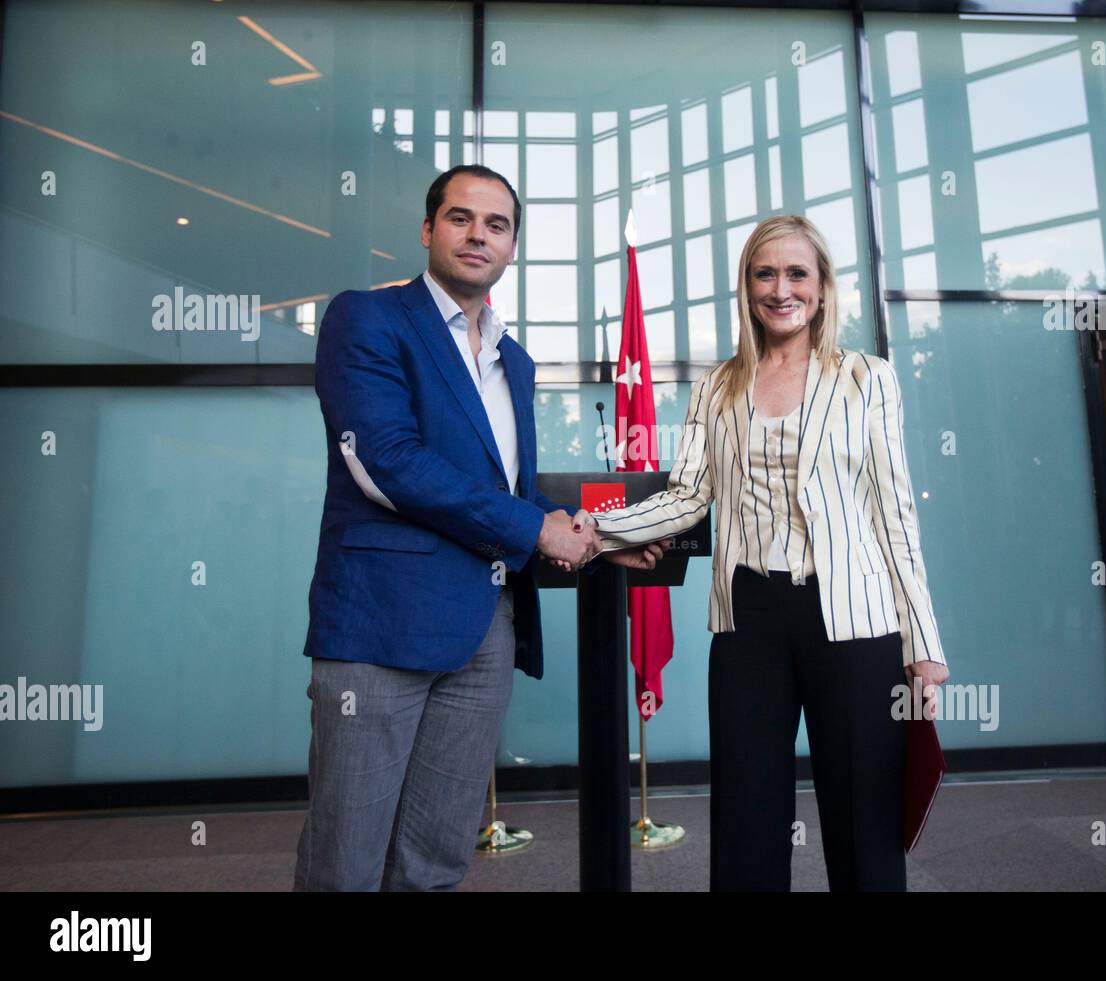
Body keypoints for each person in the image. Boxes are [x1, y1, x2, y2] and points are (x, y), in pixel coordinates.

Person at [294, 164, 663, 891]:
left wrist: (603, 541)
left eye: (497, 225)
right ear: (428, 229)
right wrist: (537, 528)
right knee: (346, 863)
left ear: (512, 248)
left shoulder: (512, 358)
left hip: (485, 630)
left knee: (435, 858)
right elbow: (388, 463)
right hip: (381, 627)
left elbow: (512, 492)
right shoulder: (367, 317)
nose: (478, 235)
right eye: (461, 218)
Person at [578, 215, 950, 891]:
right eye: (764, 273)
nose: (781, 289)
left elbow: (895, 515)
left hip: (857, 622)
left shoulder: (868, 378)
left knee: (864, 821)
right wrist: (596, 531)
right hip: (750, 618)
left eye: (796, 273)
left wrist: (924, 643)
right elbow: (687, 496)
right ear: (747, 286)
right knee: (747, 819)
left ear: (821, 286)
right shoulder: (718, 387)